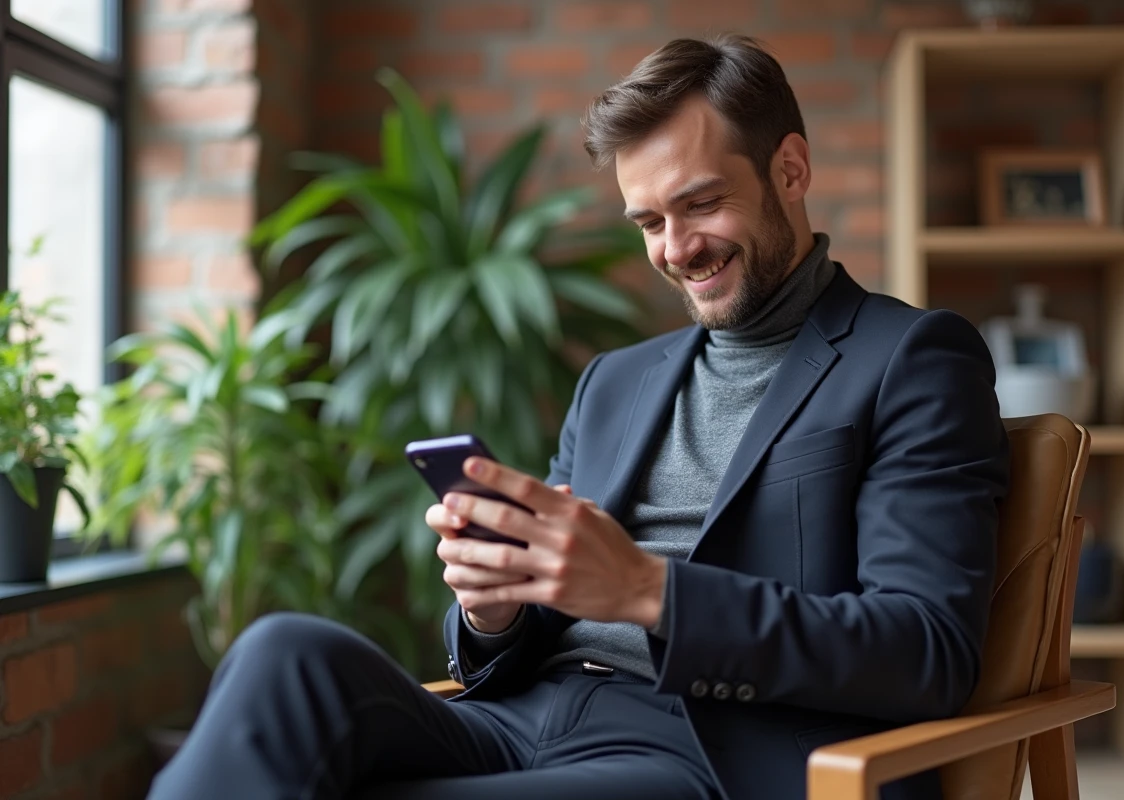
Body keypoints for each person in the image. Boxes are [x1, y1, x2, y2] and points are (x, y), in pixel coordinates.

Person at [147, 34, 1010, 800]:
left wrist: (646, 591)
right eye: (649, 221)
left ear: (790, 169)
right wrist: (495, 608)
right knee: (281, 654)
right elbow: (524, 625)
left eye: (701, 204)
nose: (676, 249)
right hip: (523, 718)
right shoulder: (616, 381)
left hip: (707, 752)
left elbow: (924, 649)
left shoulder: (910, 359)